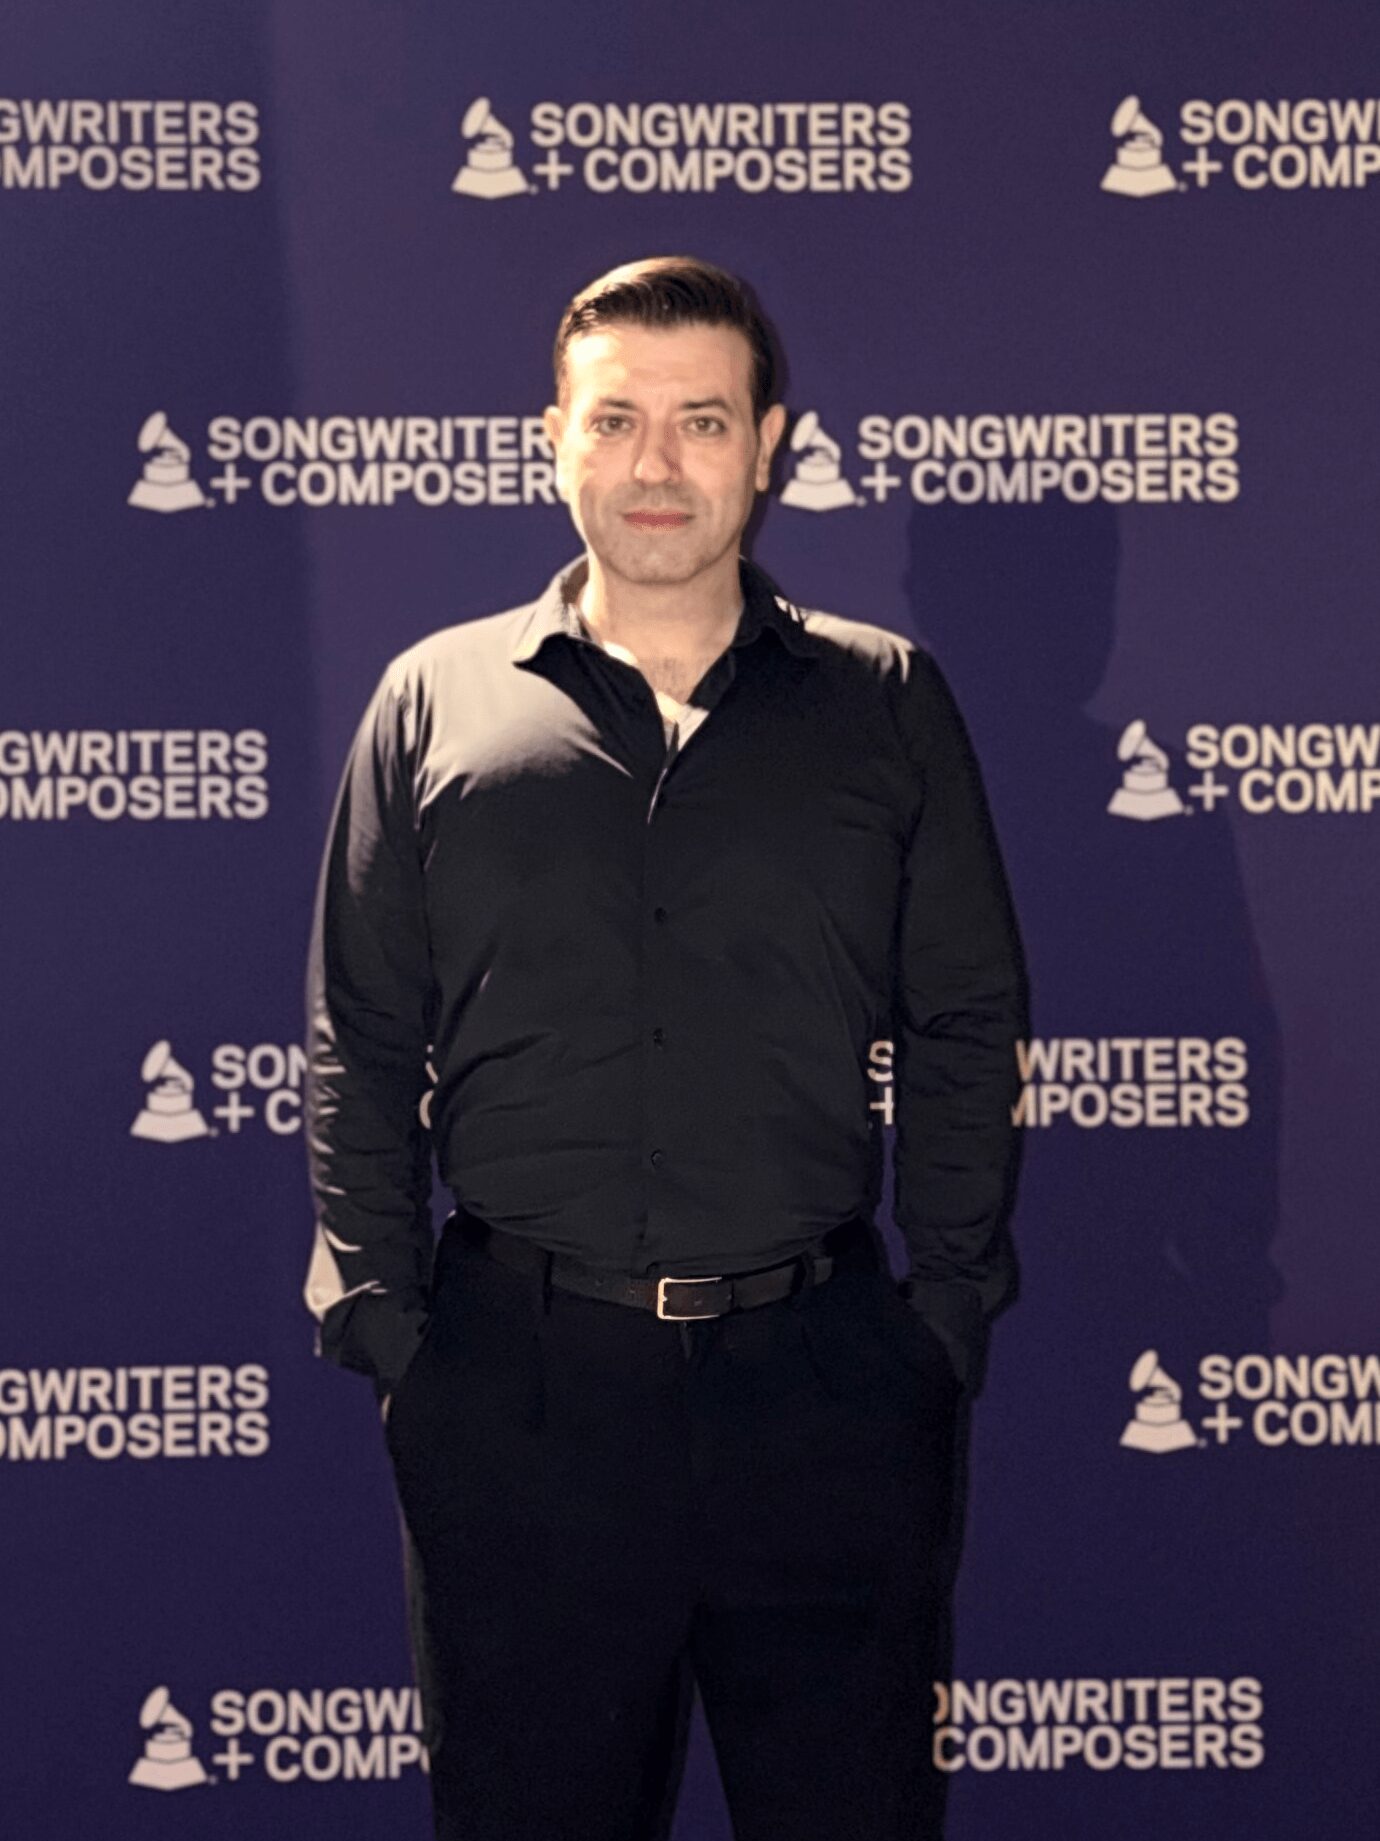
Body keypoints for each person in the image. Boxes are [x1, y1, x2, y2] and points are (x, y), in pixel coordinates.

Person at [303, 255, 1026, 1841]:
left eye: (702, 420)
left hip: (825, 1392)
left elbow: (968, 1022)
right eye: (617, 418)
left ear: (769, 443)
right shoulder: (435, 701)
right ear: (549, 437)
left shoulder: (886, 702)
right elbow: (359, 1036)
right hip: (522, 1398)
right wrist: (395, 1330)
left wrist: (942, 1320)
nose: (656, 462)